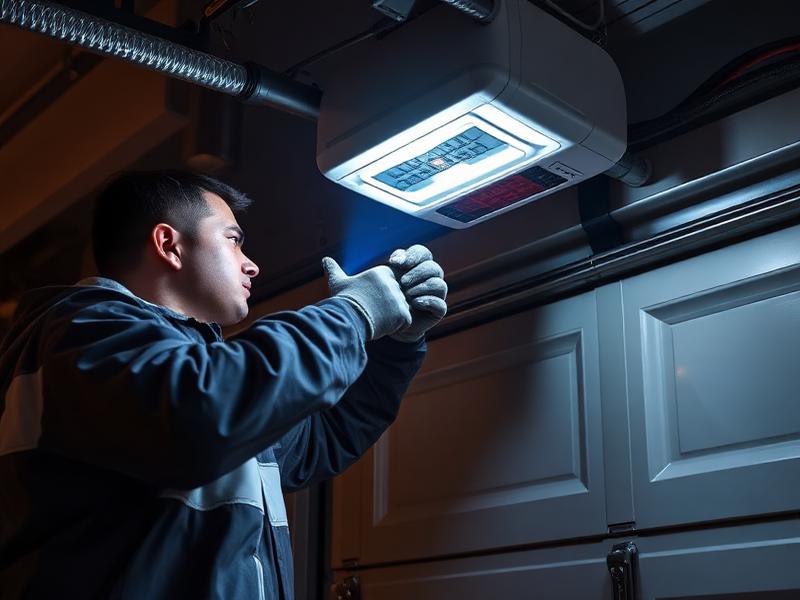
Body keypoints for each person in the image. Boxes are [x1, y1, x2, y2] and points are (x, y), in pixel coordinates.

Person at [0, 170, 448, 599]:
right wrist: (353, 313)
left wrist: (397, 346)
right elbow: (204, 410)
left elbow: (321, 438)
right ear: (168, 245)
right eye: (233, 241)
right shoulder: (84, 331)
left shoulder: (190, 370)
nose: (252, 265)